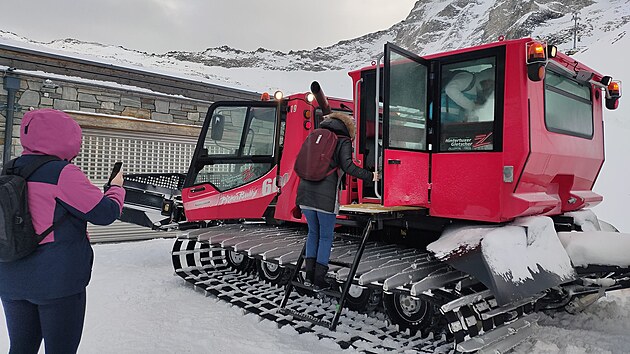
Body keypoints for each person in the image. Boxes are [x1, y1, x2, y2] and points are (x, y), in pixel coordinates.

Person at [0, 109, 125, 354]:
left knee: (21, 348)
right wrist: (116, 188)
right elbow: (104, 213)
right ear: (68, 138)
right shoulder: (62, 173)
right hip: (57, 283)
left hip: (10, 278)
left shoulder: (9, 169)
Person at [296, 112, 379, 289]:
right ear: (348, 127)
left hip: (304, 194)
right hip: (325, 198)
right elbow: (348, 166)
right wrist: (371, 176)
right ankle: (320, 279)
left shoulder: (315, 135)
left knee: (313, 233)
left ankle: (309, 276)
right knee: (325, 237)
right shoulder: (343, 139)